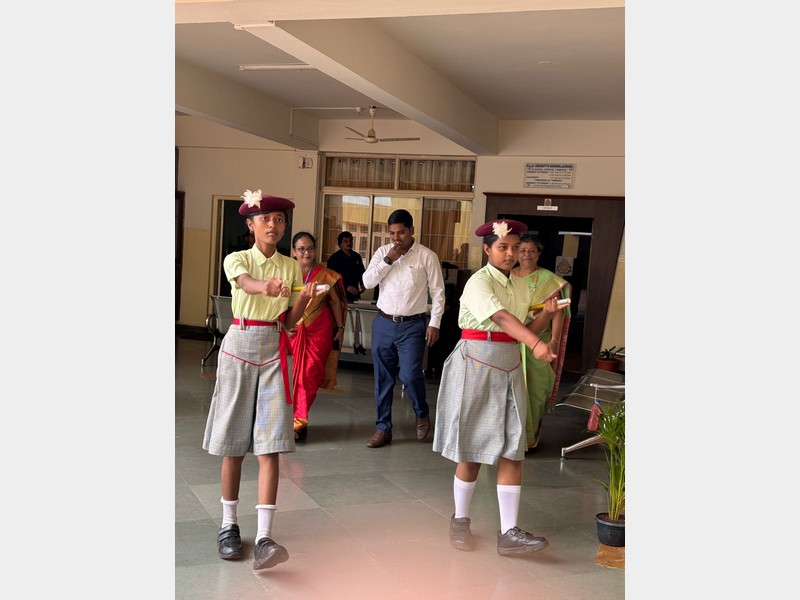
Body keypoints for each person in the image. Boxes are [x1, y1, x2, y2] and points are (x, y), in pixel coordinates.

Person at [432, 219, 567, 556]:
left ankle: (509, 532)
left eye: (516, 248)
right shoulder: (479, 283)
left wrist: (547, 316)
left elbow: (520, 327)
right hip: (477, 361)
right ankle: (460, 520)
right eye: (504, 247)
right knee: (472, 447)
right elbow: (503, 320)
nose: (511, 254)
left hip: (509, 363)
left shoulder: (516, 285)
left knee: (513, 446)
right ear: (488, 249)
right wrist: (537, 345)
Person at [202, 189, 321, 571]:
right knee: (234, 443)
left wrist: (307, 299)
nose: (273, 225)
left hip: (274, 349)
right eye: (266, 219)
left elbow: (287, 321)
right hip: (239, 346)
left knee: (270, 445)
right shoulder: (236, 258)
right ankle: (228, 527)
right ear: (251, 225)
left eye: (280, 220)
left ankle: (266, 537)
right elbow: (246, 283)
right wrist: (263, 286)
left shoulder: (291, 266)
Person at [361, 209, 445, 448]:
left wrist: (434, 323)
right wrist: (389, 260)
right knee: (383, 378)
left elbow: (438, 293)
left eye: (401, 232)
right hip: (384, 322)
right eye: (392, 233)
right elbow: (367, 282)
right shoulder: (382, 253)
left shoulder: (426, 256)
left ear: (412, 231)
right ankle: (383, 428)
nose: (396, 238)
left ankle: (421, 411)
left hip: (412, 325)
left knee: (410, 374)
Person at [511, 234, 571, 449]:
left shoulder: (550, 281)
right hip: (510, 340)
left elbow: (558, 314)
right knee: (509, 390)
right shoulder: (506, 276)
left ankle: (529, 439)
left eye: (531, 251)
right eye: (522, 250)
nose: (526, 254)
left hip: (540, 341)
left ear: (538, 254)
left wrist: (554, 341)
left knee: (535, 390)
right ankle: (511, 440)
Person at [287, 231, 348, 442]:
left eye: (310, 248)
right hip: (291, 330)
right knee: (287, 378)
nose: (306, 253)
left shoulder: (325, 274)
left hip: (319, 330)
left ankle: (299, 421)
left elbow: (334, 302)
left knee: (308, 375)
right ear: (294, 251)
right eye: (301, 249)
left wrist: (339, 328)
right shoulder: (286, 272)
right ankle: (287, 420)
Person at [327, 231, 367, 354]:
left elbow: (362, 275)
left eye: (350, 241)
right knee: (339, 322)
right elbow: (330, 281)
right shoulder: (334, 259)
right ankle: (337, 347)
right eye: (345, 241)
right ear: (339, 244)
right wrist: (345, 287)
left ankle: (356, 345)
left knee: (356, 322)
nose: (349, 243)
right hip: (338, 297)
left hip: (355, 296)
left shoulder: (356, 257)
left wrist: (364, 284)